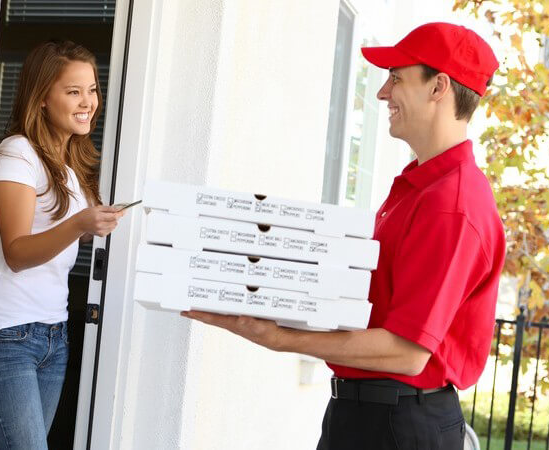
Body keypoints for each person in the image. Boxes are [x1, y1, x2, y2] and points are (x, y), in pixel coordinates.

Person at [182, 22, 505, 450]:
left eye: (396, 77)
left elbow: (407, 352)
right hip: (367, 416)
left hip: (398, 426)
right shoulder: (420, 189)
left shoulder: (451, 204)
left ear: (438, 87)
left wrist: (280, 338)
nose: (382, 93)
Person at [0, 40, 124, 449]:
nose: (87, 101)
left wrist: (94, 224)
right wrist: (79, 225)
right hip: (5, 331)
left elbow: (70, 230)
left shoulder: (71, 161)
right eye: (73, 91)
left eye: (91, 89)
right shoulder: (17, 154)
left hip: (53, 334)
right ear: (41, 99)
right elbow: (18, 252)